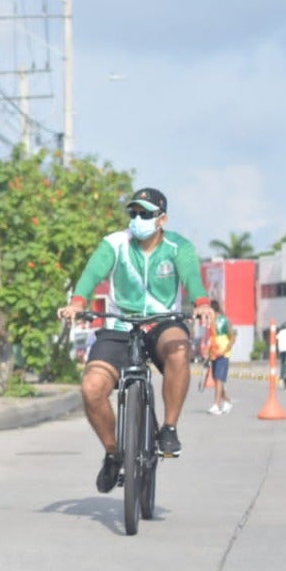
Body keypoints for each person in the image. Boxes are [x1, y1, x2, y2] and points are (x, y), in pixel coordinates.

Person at [56, 187, 214, 494]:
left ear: (162, 219)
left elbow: (192, 277)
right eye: (134, 213)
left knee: (179, 350)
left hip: (163, 322)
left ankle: (168, 428)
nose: (138, 219)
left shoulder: (178, 246)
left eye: (145, 214)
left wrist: (202, 302)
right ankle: (113, 453)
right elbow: (92, 274)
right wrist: (77, 302)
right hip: (119, 325)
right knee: (91, 388)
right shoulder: (115, 244)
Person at [207, 299, 236, 414]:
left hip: (223, 354)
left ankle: (216, 404)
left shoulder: (224, 320)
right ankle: (227, 401)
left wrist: (225, 350)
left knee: (219, 379)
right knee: (216, 379)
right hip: (214, 354)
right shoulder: (211, 322)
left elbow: (232, 337)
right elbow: (211, 339)